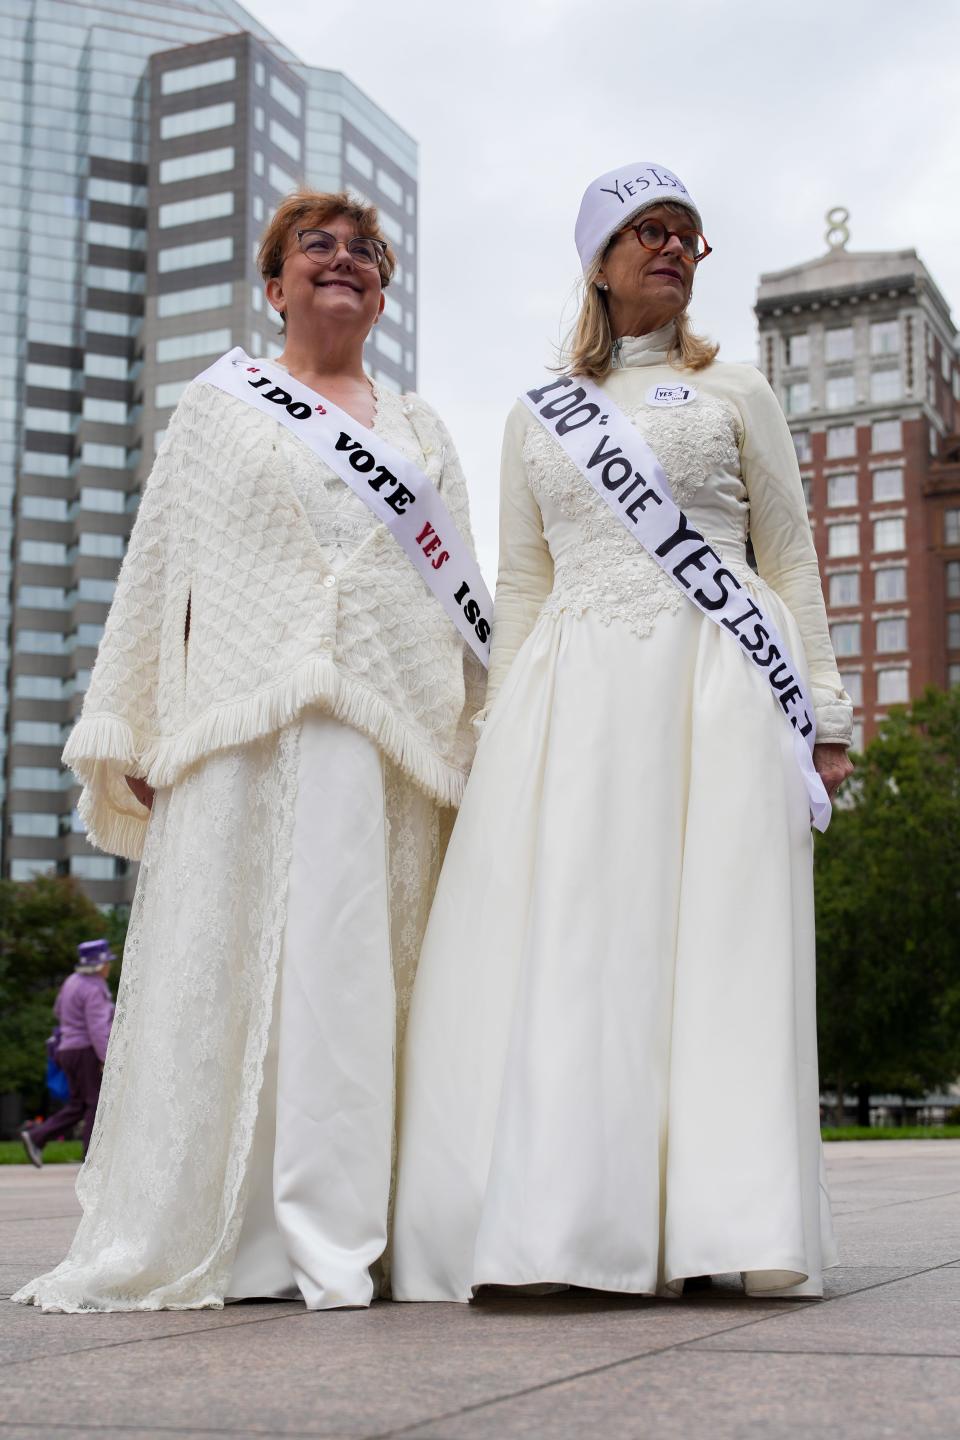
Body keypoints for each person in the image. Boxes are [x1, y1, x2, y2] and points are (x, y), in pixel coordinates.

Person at [393, 162, 854, 1303]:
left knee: (717, 943)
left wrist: (827, 715)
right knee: (585, 946)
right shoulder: (532, 414)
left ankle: (719, 1225)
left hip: (719, 685)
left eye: (687, 235)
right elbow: (522, 582)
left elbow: (787, 563)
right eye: (647, 230)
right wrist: (501, 730)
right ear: (597, 260)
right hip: (572, 697)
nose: (671, 248)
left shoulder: (739, 390)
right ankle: (571, 1224)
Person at [15, 190, 482, 1314]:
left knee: (357, 975)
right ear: (274, 286)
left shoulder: (421, 432)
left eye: (366, 252)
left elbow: (465, 609)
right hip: (242, 721)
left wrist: (484, 734)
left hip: (386, 734)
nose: (344, 261)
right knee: (235, 969)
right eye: (316, 248)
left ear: (383, 293)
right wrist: (130, 718)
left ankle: (350, 1231)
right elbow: (160, 563)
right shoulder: (218, 407)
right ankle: (238, 1233)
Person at [20, 940, 116, 1166]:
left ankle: (36, 1137)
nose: (109, 967)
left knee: (78, 1104)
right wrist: (105, 1058)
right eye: (106, 963)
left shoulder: (72, 981)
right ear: (98, 965)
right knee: (94, 1103)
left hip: (67, 1050)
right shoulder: (95, 988)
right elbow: (98, 1028)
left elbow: (57, 1010)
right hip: (86, 1052)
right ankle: (92, 1158)